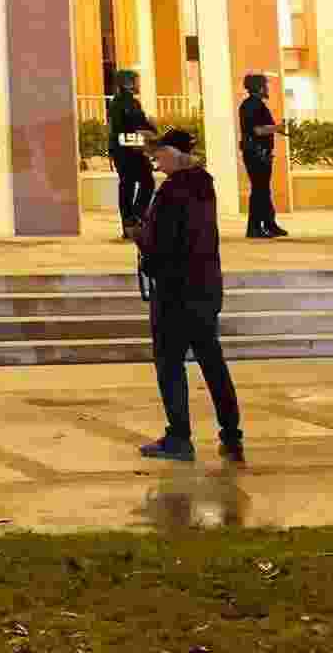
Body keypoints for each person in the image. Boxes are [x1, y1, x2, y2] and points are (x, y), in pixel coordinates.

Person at [134, 128, 242, 461]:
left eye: (160, 155)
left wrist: (140, 237)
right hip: (205, 288)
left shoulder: (172, 192)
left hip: (175, 292)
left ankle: (179, 436)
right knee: (212, 361)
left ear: (175, 153)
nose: (157, 162)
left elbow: (161, 243)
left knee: (169, 363)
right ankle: (231, 434)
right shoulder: (204, 186)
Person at [104, 68, 156, 238]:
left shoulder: (118, 103)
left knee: (128, 186)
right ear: (128, 83)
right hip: (130, 150)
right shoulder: (127, 103)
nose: (139, 84)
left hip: (123, 150)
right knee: (144, 183)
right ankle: (134, 219)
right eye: (136, 81)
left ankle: (130, 222)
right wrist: (151, 126)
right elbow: (136, 125)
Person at [237, 72, 287, 240]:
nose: (267, 88)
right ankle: (254, 228)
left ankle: (269, 224)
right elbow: (257, 130)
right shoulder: (252, 105)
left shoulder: (254, 104)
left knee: (263, 190)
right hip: (256, 154)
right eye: (265, 85)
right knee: (259, 190)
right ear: (259, 88)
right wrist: (277, 128)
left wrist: (276, 129)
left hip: (258, 153)